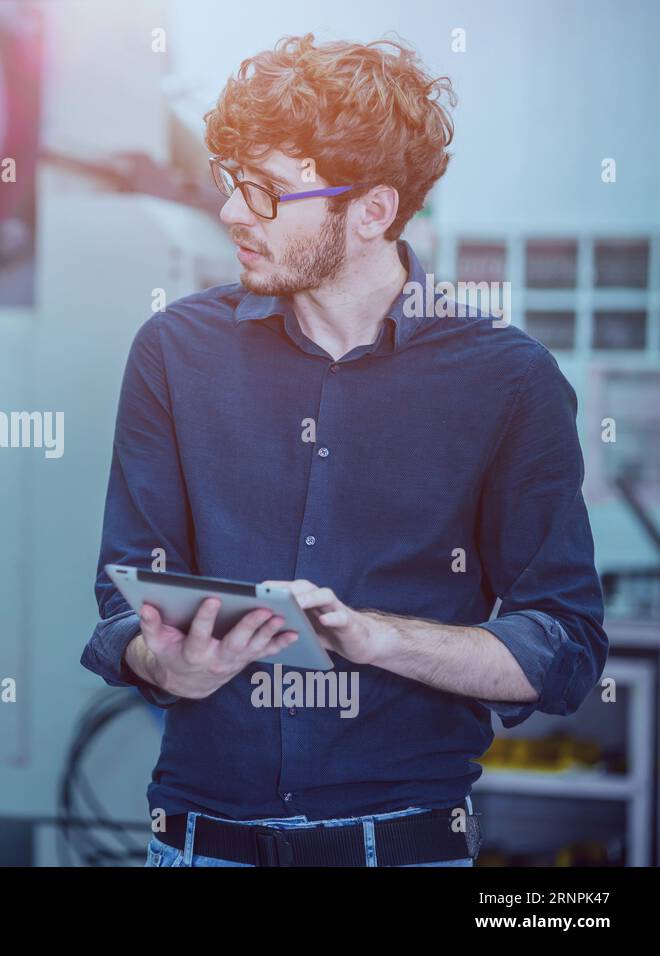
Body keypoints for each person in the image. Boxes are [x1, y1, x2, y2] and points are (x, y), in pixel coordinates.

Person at [81, 34, 608, 868]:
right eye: (231, 181)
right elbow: (123, 609)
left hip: (403, 846)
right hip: (195, 842)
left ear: (372, 211)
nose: (231, 211)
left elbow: (563, 646)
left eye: (266, 191)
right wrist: (169, 664)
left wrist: (377, 638)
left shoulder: (508, 381)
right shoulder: (175, 353)